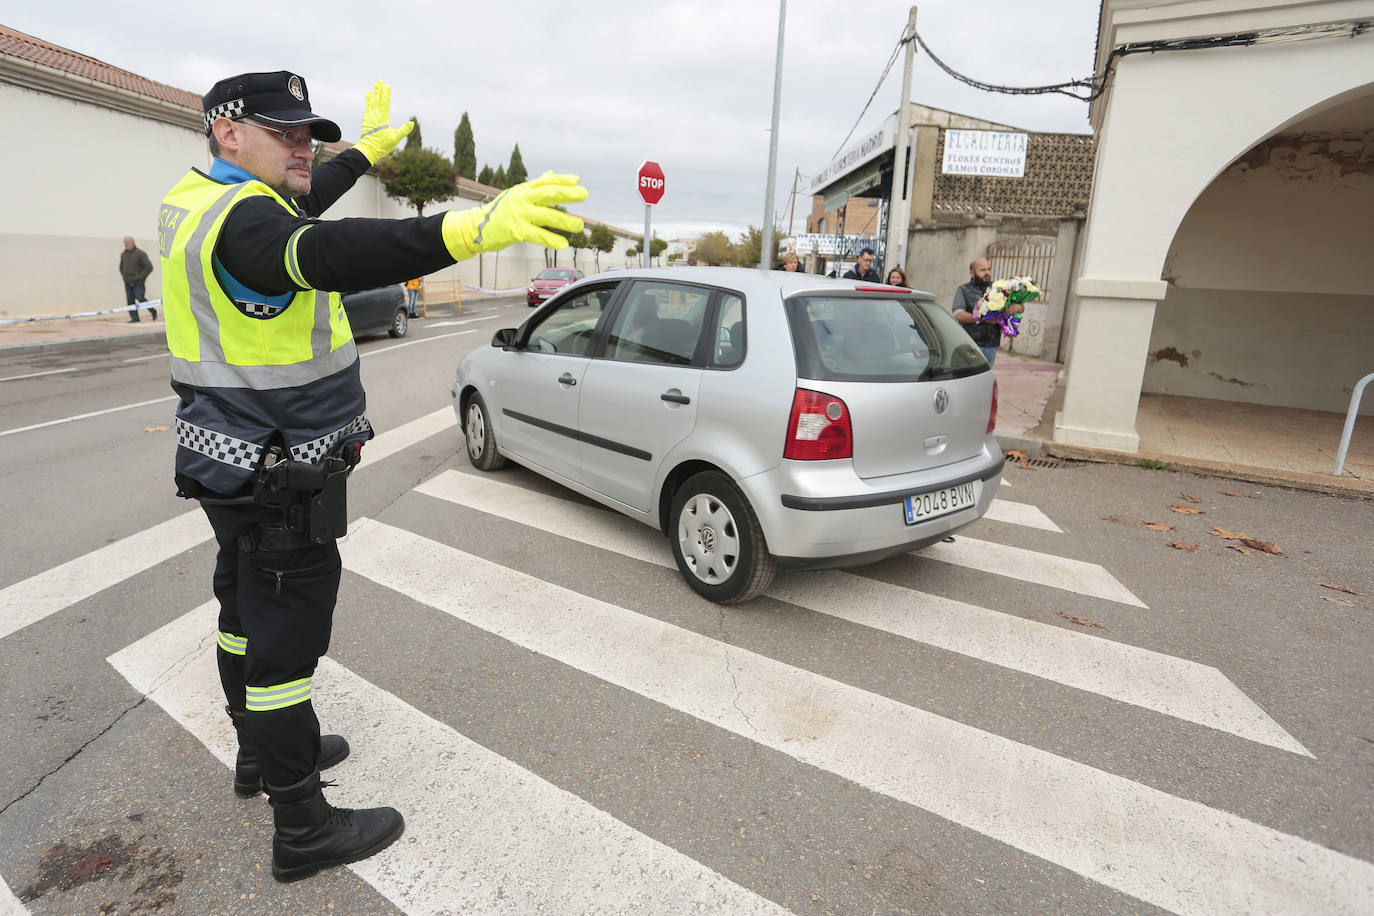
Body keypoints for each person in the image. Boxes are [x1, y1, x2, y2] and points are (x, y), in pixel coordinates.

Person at [160, 71, 586, 883]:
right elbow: (323, 250)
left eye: (306, 134)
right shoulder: (248, 223)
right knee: (286, 649)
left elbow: (307, 197)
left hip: (223, 455)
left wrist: (361, 154)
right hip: (282, 467)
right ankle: (303, 825)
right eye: (283, 132)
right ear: (227, 131)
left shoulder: (198, 198)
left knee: (241, 610)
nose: (302, 148)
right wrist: (467, 230)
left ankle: (257, 756)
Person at [952, 257, 1019, 365]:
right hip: (970, 344)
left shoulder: (999, 289)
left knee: (985, 377)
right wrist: (982, 318)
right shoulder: (963, 290)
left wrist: (1014, 310)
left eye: (989, 269)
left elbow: (1017, 307)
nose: (987, 273)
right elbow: (958, 314)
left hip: (991, 346)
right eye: (982, 270)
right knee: (969, 377)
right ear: (972, 272)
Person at [119, 236, 157, 321]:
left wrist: (140, 277)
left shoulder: (140, 253)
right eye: (124, 242)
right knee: (130, 301)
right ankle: (135, 318)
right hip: (127, 282)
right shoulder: (123, 254)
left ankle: (153, 311)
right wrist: (124, 276)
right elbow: (121, 267)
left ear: (133, 242)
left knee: (140, 297)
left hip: (138, 282)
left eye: (127, 242)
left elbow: (149, 267)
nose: (126, 244)